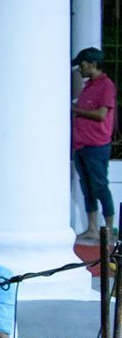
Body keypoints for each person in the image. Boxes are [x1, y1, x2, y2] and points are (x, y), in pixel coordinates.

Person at [71, 47, 115, 241]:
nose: (80, 69)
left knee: (100, 186)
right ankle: (92, 228)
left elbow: (101, 114)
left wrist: (76, 110)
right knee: (87, 187)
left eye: (82, 65)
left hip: (96, 145)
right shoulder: (88, 86)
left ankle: (109, 228)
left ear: (93, 64)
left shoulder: (106, 85)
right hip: (81, 145)